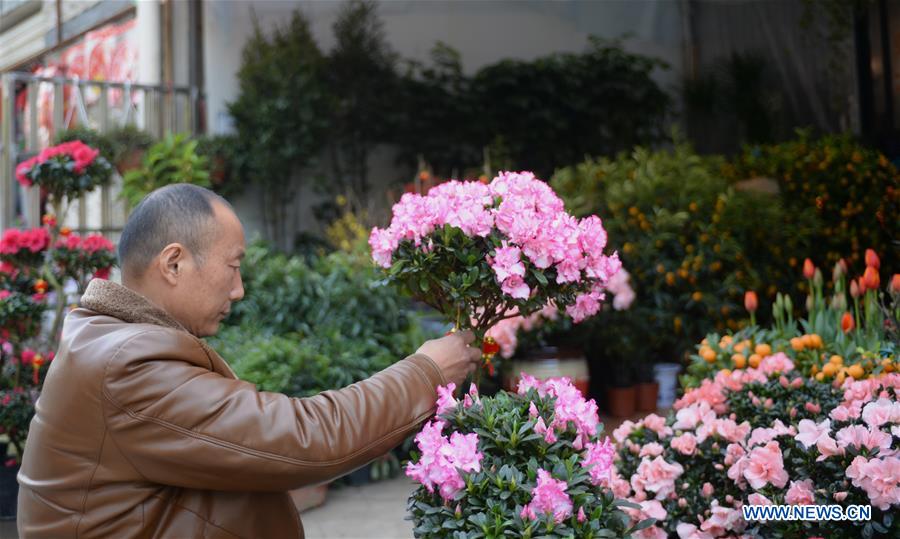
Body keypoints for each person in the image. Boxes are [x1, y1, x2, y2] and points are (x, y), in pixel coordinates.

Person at [17, 184, 480, 538]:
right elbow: (304, 439)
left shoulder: (110, 340)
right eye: (233, 266)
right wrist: (428, 371)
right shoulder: (128, 364)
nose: (238, 290)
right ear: (173, 264)